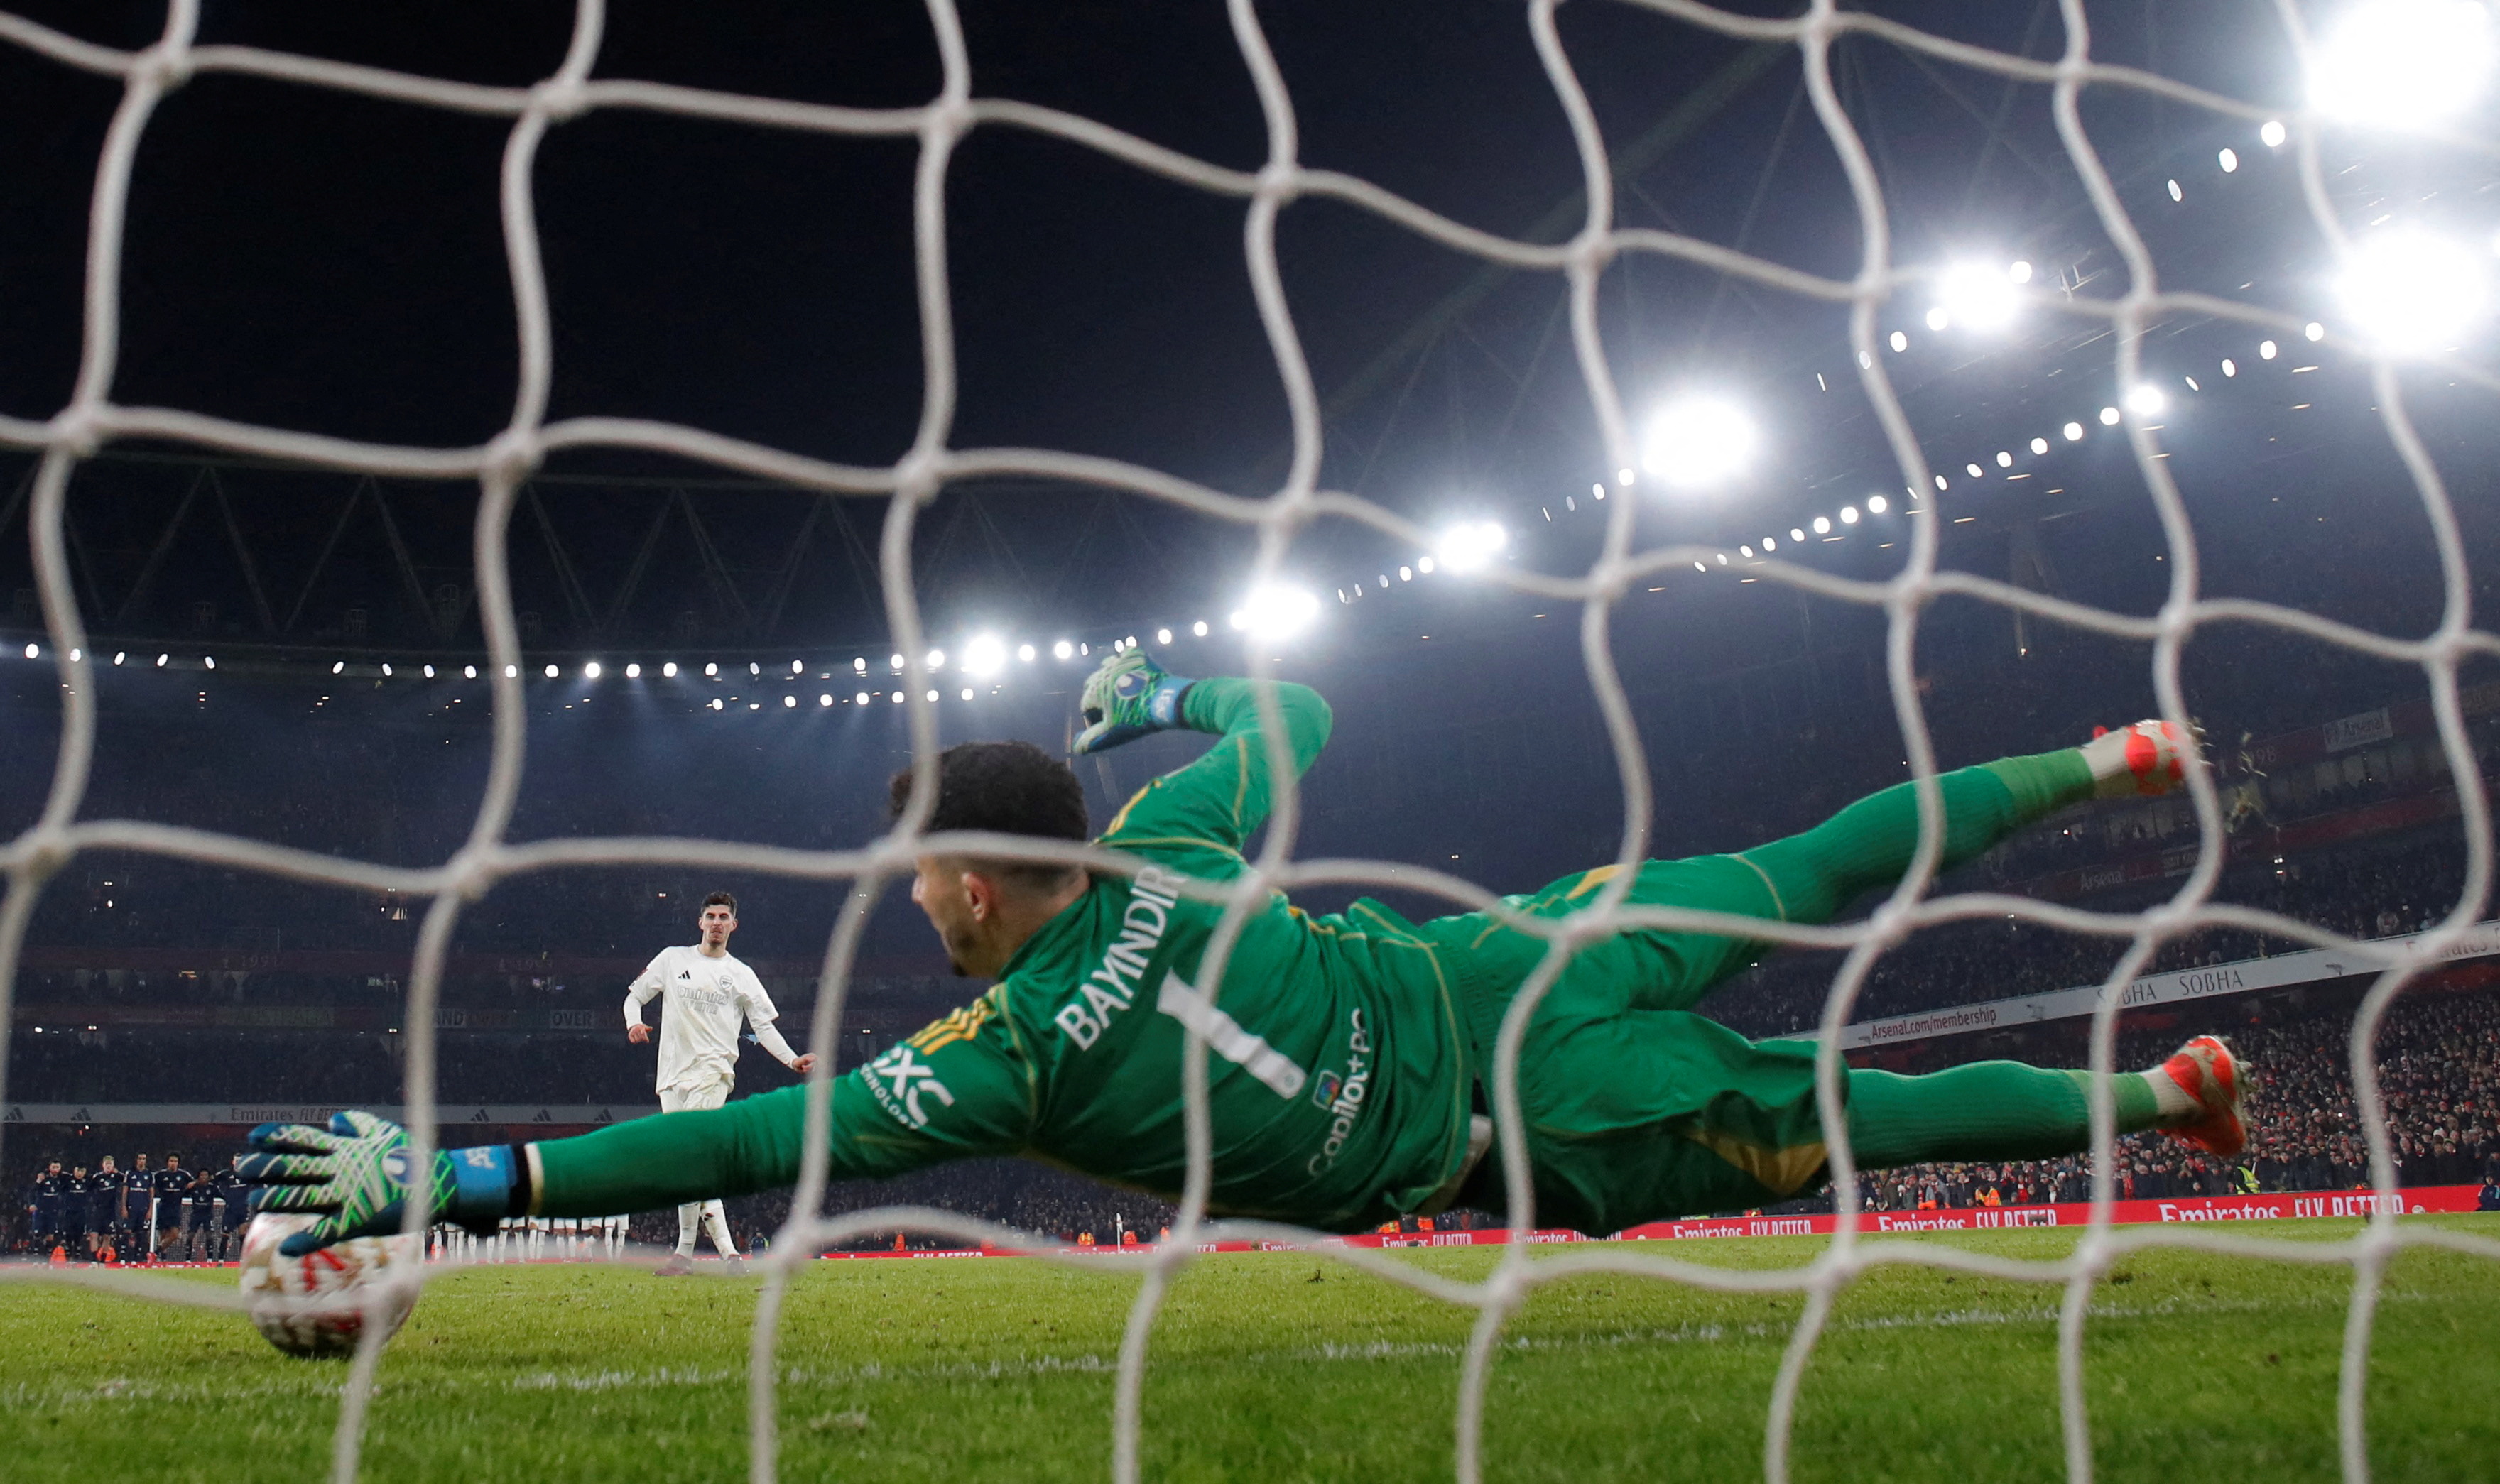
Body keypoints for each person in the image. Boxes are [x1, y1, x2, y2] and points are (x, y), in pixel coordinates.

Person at [240, 653, 2248, 1255]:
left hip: (1506, 1116)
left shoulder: (998, 1060)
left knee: (1846, 1115)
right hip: (1496, 965)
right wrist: (1171, 692)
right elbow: (1296, 716)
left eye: (915, 875)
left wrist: (467, 1180)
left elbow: (750, 1152)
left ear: (961, 884)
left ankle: (2161, 1095)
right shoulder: (1167, 846)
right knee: (1808, 864)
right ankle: (2105, 752)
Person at [622, 891, 819, 1276]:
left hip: (713, 1074)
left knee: (694, 1159)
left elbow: (763, 1027)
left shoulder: (742, 974)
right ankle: (715, 1257)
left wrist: (792, 1059)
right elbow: (634, 998)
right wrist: (633, 1023)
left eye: (723, 916)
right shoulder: (672, 959)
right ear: (700, 922)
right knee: (689, 1167)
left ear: (733, 925)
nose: (716, 922)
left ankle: (701, 1254)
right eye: (710, 915)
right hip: (671, 1077)